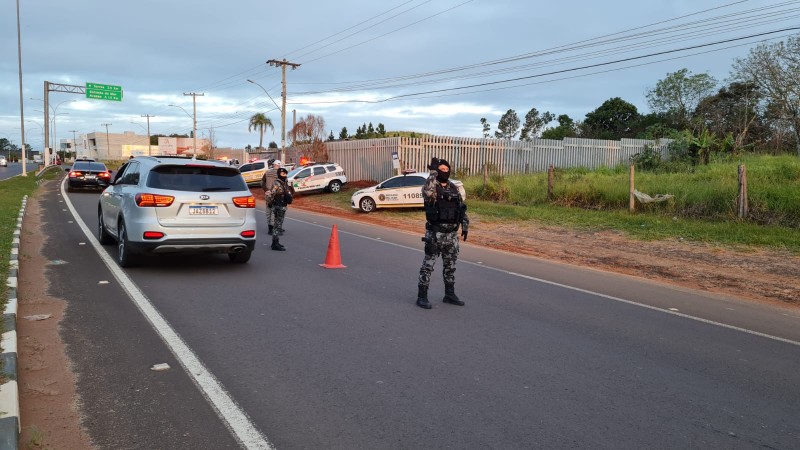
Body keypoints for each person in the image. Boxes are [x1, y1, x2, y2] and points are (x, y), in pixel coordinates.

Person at [416, 157, 469, 309]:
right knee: (428, 265)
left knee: (450, 265)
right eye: (441, 170)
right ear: (436, 171)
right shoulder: (432, 185)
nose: (445, 172)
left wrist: (465, 224)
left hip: (452, 235)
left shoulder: (453, 187)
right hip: (435, 234)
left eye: (447, 170)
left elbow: (461, 207)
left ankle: (449, 294)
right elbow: (427, 193)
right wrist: (432, 173)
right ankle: (422, 296)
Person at [265, 167, 292, 251]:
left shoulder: (285, 182)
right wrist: (269, 203)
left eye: (285, 173)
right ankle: (274, 244)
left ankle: (276, 242)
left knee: (279, 225)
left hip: (283, 205)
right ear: (279, 174)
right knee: (276, 225)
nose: (284, 175)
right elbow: (271, 194)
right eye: (282, 174)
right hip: (277, 206)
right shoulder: (277, 183)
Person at [262, 159, 283, 235]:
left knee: (268, 211)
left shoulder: (267, 172)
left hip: (268, 194)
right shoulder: (280, 174)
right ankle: (274, 227)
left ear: (273, 165)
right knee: (274, 212)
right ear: (279, 166)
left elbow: (262, 182)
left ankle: (269, 229)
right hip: (276, 195)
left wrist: (266, 190)